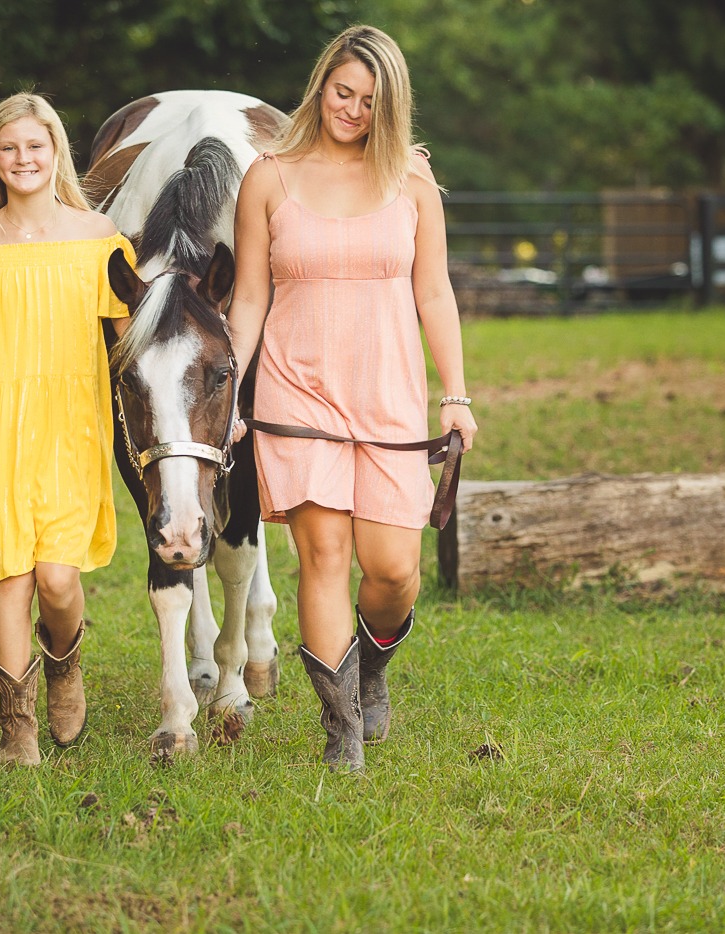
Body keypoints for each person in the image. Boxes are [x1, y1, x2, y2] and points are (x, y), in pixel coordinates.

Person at [228, 25, 478, 771]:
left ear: (390, 107)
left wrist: (455, 396)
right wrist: (229, 398)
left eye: (371, 102)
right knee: (325, 554)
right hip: (296, 392)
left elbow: (433, 290)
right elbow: (247, 299)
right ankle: (342, 735)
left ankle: (370, 668)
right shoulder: (269, 178)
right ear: (319, 86)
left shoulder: (411, 179)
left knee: (394, 568)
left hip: (390, 396)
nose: (353, 111)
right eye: (343, 92)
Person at [0, 93, 135, 767]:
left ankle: (65, 664)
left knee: (56, 580)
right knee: (11, 576)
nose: (23, 159)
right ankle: (15, 725)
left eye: (35, 147)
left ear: (56, 154)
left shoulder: (99, 237)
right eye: (9, 148)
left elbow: (130, 342)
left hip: (72, 426)